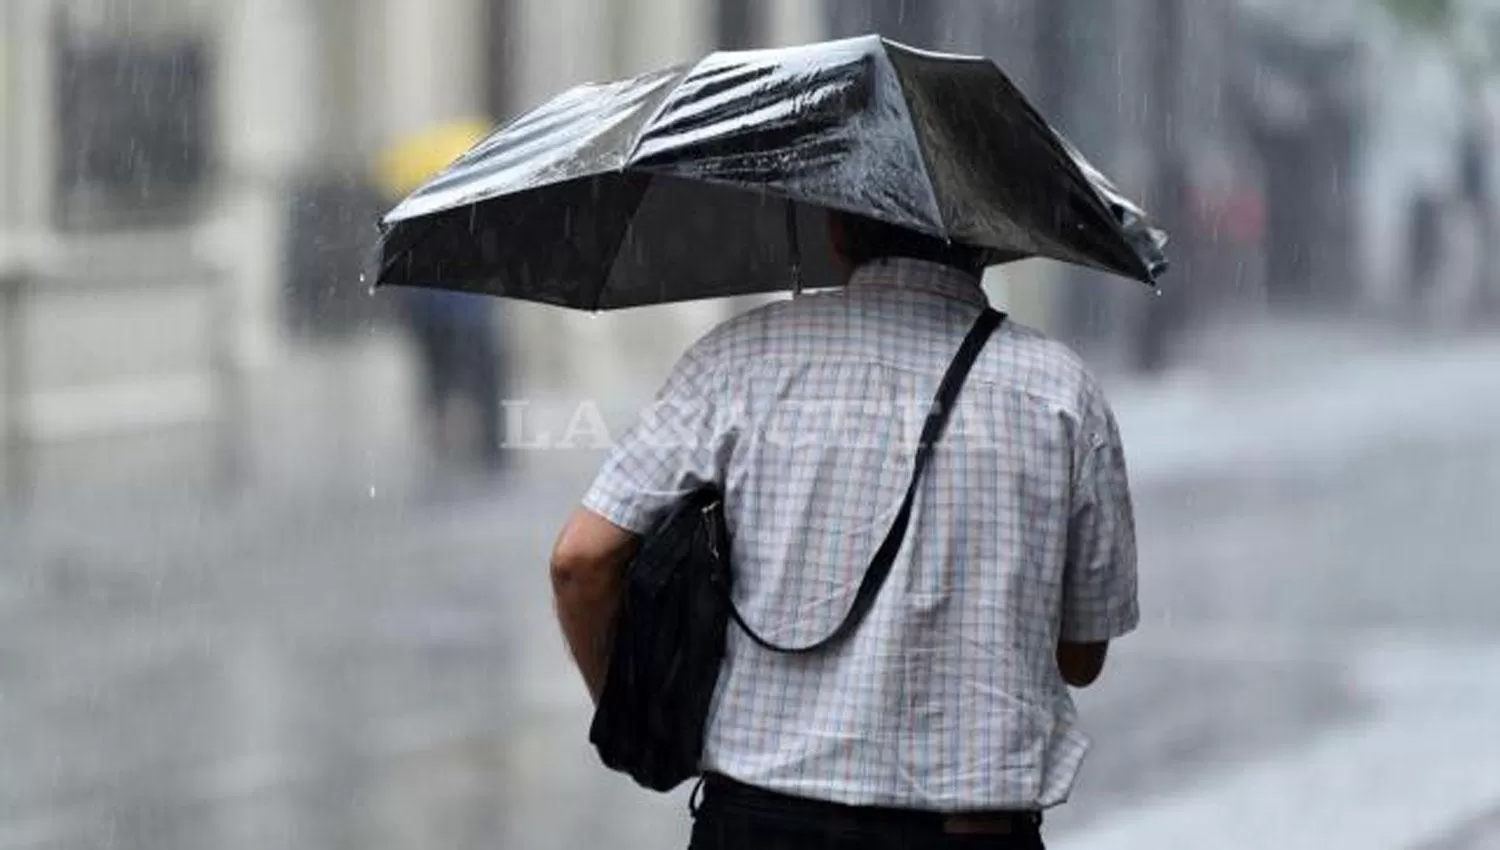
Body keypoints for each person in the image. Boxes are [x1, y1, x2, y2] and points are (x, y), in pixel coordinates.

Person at [548, 212, 1139, 849]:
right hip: (967, 831)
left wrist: (636, 709)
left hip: (759, 824)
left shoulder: (738, 358)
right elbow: (1081, 655)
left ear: (835, 232)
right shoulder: (1061, 392)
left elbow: (580, 561)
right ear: (989, 236)